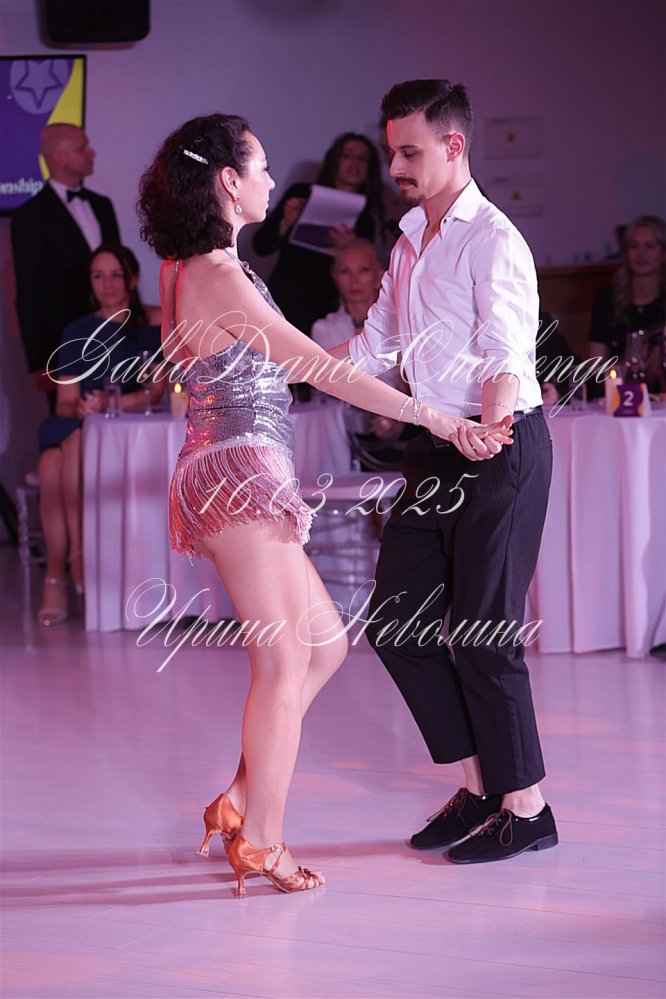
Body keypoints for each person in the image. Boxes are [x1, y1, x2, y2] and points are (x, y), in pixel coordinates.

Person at [137, 113, 510, 896]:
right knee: (281, 664)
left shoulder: (187, 266)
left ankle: (238, 799)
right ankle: (262, 841)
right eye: (262, 166)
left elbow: (253, 363)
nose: (275, 180)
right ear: (228, 181)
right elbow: (319, 369)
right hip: (238, 472)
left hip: (230, 466)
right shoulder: (218, 275)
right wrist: (440, 418)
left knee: (327, 644)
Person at [327, 80, 557, 864]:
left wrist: (490, 425)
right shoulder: (406, 243)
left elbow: (506, 349)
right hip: (435, 450)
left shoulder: (493, 238)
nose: (394, 166)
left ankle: (529, 809)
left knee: (486, 634)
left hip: (501, 441)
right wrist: (283, 362)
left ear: (454, 146)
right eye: (391, 150)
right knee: (398, 624)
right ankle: (482, 784)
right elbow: (375, 350)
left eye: (409, 151)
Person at [36, 244, 162, 626]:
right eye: (98, 276)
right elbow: (64, 403)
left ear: (133, 279)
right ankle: (78, 556)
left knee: (52, 463)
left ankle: (57, 577)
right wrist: (82, 408)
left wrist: (115, 403)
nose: (107, 284)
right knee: (69, 442)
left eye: (116, 275)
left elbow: (157, 390)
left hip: (126, 430)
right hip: (79, 423)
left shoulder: (153, 324)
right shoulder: (77, 331)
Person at [11, 124, 120, 406]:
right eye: (82, 147)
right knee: (71, 420)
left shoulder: (102, 206)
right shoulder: (30, 216)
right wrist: (39, 361)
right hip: (63, 347)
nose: (92, 152)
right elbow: (29, 293)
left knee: (118, 413)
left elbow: (120, 271)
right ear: (58, 157)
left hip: (113, 339)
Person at [252, 132, 386, 335]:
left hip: (328, 306)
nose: (354, 164)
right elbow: (260, 246)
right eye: (347, 155)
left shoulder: (367, 217)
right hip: (287, 294)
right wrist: (286, 223)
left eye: (362, 159)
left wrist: (351, 249)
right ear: (335, 160)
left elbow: (362, 270)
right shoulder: (302, 194)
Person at [312, 239, 414, 467]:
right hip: (345, 434)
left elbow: (413, 378)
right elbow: (334, 384)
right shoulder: (324, 328)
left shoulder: (401, 323)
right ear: (335, 277)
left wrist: (398, 414)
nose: (354, 280)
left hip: (407, 426)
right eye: (345, 271)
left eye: (363, 270)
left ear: (379, 275)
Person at [588, 215, 665, 393]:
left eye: (650, 246)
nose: (641, 254)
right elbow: (595, 368)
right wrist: (626, 366)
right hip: (617, 394)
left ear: (663, 252)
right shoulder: (607, 298)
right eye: (633, 246)